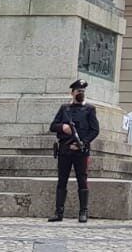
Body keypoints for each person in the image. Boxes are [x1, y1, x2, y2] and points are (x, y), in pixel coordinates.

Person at [49, 79, 100, 223]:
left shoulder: (89, 109)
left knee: (82, 180)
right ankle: (59, 212)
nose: (81, 93)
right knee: (62, 181)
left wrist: (83, 143)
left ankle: (83, 212)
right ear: (72, 93)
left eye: (83, 91)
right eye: (78, 91)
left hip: (81, 151)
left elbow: (95, 130)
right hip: (65, 150)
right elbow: (52, 126)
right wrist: (62, 127)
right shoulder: (64, 109)